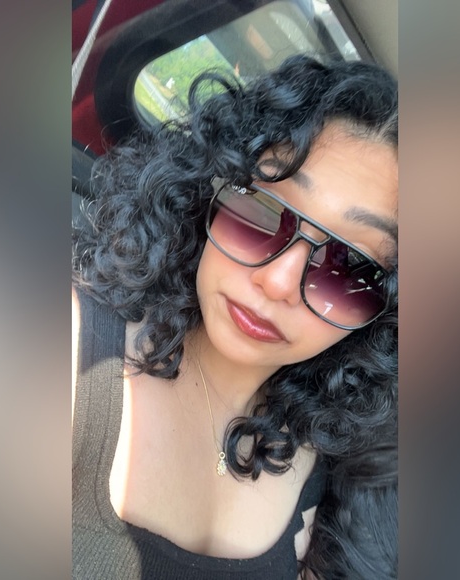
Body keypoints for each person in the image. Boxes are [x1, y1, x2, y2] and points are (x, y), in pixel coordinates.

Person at [72, 55, 398, 579]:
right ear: (210, 189)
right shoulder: (67, 353)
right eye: (261, 212)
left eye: (349, 268)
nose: (278, 282)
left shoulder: (315, 476)